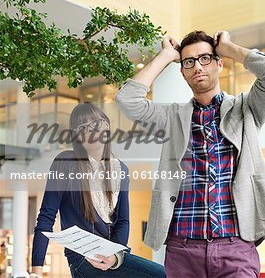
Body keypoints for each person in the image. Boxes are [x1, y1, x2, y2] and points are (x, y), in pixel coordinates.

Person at [116, 30, 265, 277]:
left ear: (219, 63)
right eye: (189, 62)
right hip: (182, 249)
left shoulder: (246, 108)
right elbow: (127, 100)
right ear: (183, 71)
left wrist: (228, 47)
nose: (197, 66)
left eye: (205, 58)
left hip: (236, 247)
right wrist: (165, 56)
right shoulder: (172, 117)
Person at [30, 103, 165, 278]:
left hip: (113, 257)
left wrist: (115, 257)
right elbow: (46, 217)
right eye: (82, 128)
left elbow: (123, 222)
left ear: (106, 126)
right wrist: (36, 272)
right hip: (82, 259)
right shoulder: (65, 163)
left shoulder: (121, 169)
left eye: (94, 124)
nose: (89, 131)